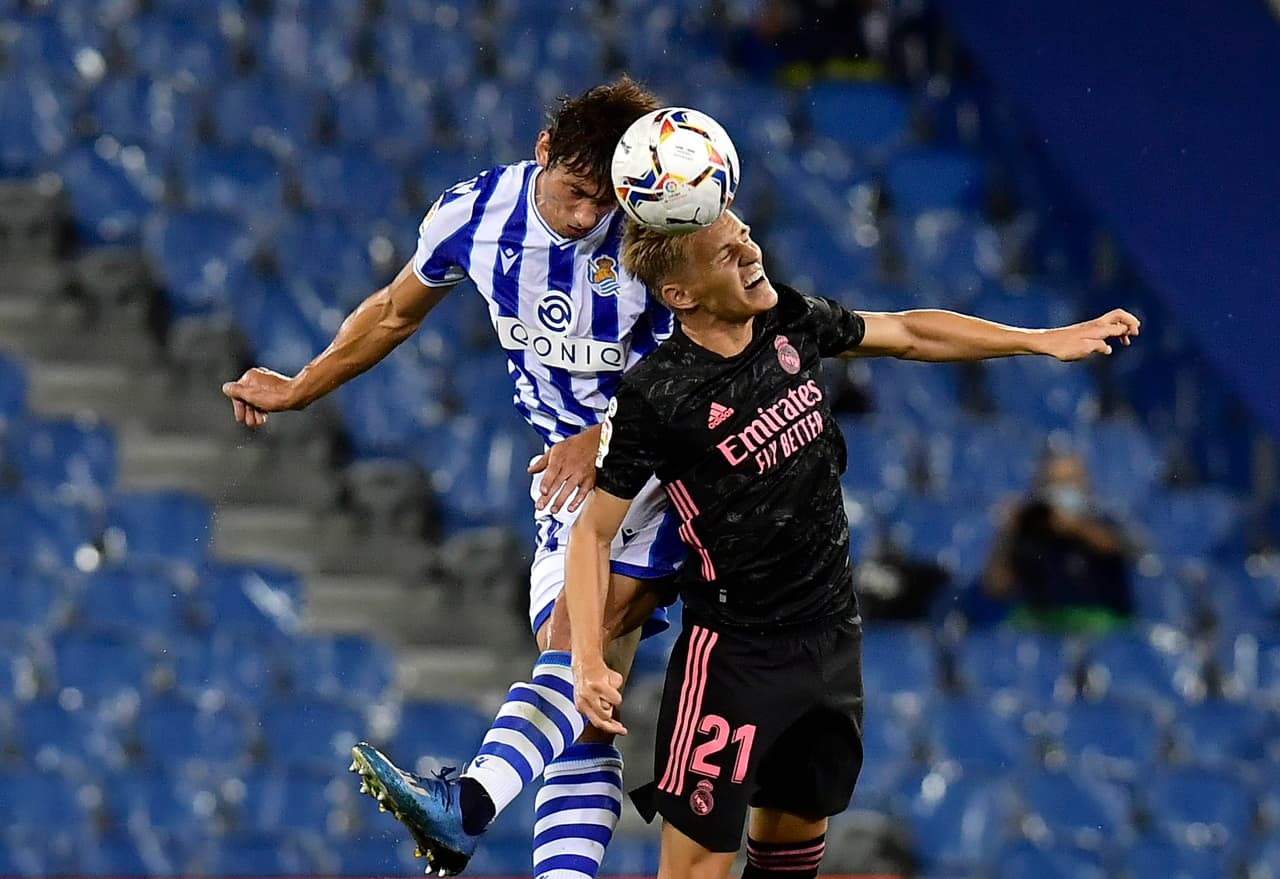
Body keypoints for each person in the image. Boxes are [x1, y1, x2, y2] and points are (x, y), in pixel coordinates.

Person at [563, 209, 1140, 879]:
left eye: (744, 234)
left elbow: (908, 333)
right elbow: (592, 532)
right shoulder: (657, 394)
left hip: (832, 641)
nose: (750, 252)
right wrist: (587, 659)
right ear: (680, 294)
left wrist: (1041, 341)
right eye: (725, 253)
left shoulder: (787, 320)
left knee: (790, 860)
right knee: (695, 871)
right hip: (735, 660)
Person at [222, 78, 685, 879]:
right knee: (585, 699)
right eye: (575, 193)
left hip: (666, 467)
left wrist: (606, 432)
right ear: (542, 153)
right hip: (571, 484)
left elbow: (705, 364)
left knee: (576, 648)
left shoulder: (651, 231)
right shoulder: (475, 216)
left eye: (602, 200)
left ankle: (466, 804)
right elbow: (393, 312)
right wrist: (300, 386)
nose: (587, 216)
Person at [982, 449, 1134, 632]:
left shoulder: (1106, 520)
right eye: (1053, 483)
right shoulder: (1031, 530)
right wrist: (1009, 532)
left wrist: (1074, 526)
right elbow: (996, 587)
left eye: (1069, 482)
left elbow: (1119, 549)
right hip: (1045, 626)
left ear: (1085, 484)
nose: (1061, 491)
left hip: (1100, 625)